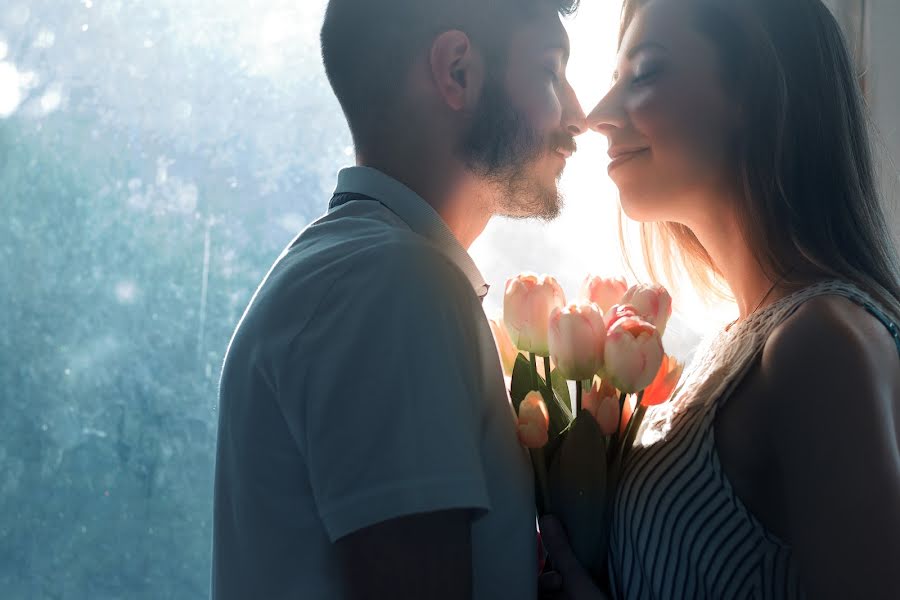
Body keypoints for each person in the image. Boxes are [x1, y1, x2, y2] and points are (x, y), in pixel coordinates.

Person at [211, 0, 587, 598]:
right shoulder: (393, 284)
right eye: (549, 71)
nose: (579, 114)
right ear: (457, 70)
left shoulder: (358, 272)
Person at [541, 0, 900, 598]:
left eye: (645, 73)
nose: (597, 116)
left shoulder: (818, 345)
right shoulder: (740, 345)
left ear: (756, 93)